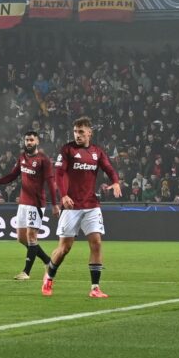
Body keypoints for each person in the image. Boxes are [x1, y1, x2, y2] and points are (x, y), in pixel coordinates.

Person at [41, 117, 121, 299]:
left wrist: (115, 182)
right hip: (71, 206)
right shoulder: (68, 150)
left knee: (96, 243)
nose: (77, 135)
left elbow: (109, 168)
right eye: (75, 131)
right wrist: (64, 195)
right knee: (64, 249)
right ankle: (49, 276)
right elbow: (59, 173)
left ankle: (95, 288)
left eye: (81, 132)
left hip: (91, 205)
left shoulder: (97, 152)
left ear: (89, 133)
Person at [0, 130, 53, 280]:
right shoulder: (22, 157)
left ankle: (26, 272)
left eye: (31, 140)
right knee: (21, 238)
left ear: (37, 141)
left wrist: (56, 204)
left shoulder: (43, 160)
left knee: (32, 237)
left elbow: (50, 183)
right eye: (27, 140)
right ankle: (47, 261)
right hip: (23, 202)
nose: (29, 142)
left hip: (36, 203)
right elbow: (13, 175)